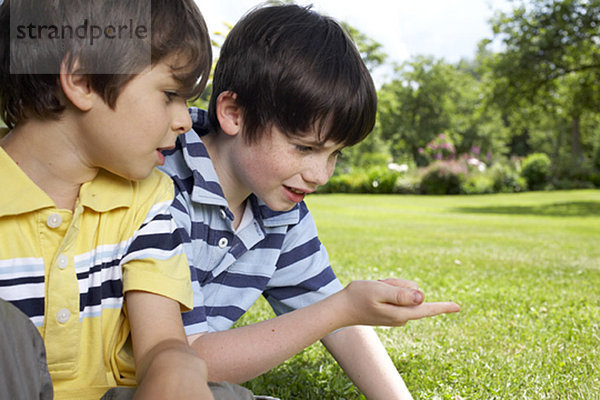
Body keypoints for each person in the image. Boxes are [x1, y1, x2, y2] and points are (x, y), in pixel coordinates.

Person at [159, 4, 460, 399]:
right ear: (233, 113)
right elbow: (187, 359)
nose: (321, 174)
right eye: (304, 147)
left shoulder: (281, 212)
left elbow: (338, 321)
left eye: (335, 154)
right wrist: (341, 308)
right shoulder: (163, 184)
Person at [0, 0, 228, 398]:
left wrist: (176, 365)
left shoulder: (147, 198)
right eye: (170, 94)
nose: (186, 120)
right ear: (83, 79)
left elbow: (160, 342)